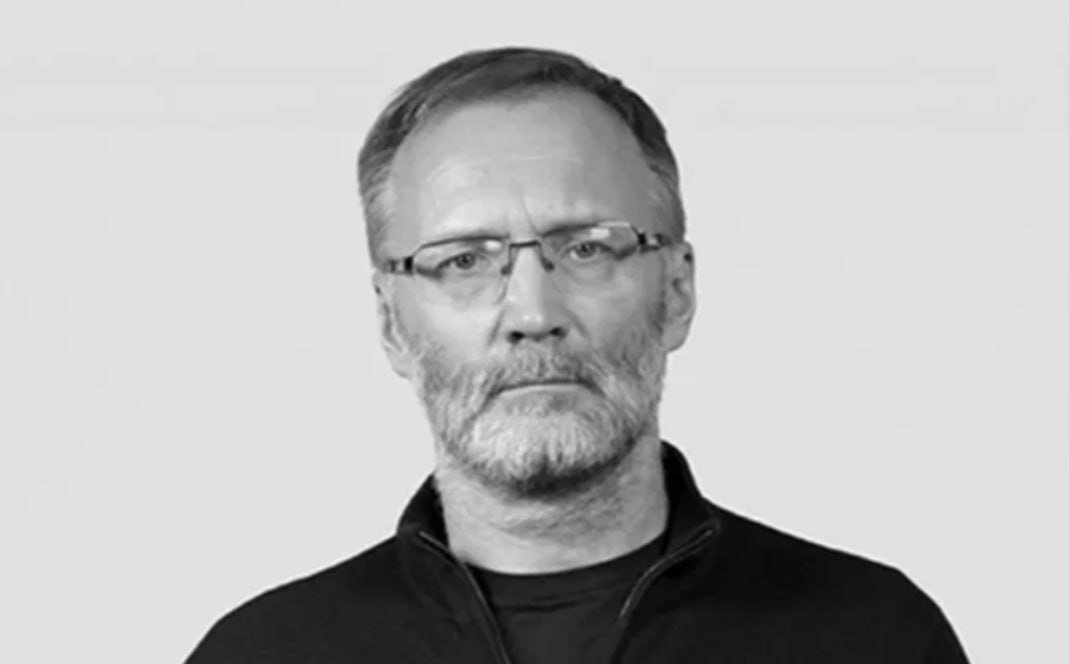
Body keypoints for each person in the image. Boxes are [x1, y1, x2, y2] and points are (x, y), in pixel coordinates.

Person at [185, 46, 969, 663]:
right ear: (392, 323)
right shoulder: (263, 654)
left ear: (676, 292)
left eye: (587, 248)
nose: (533, 314)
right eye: (464, 260)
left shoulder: (870, 638)